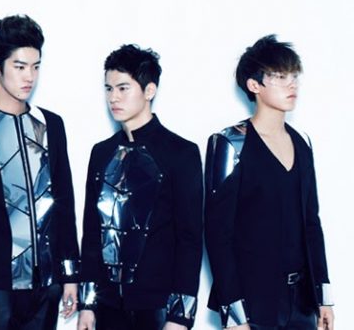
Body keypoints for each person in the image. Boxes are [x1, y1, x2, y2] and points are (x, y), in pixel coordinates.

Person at [0, 15, 80, 329]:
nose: (29, 77)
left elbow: (64, 205)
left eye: (35, 67)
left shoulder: (51, 125)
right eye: (20, 67)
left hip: (47, 283)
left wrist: (70, 275)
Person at [204, 35, 334, 330]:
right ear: (254, 85)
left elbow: (311, 223)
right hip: (253, 305)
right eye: (279, 76)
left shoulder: (302, 143)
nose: (292, 84)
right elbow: (218, 234)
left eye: (294, 76)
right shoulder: (230, 142)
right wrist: (234, 314)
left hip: (302, 303)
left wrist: (323, 297)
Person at [77, 45, 203, 330]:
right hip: (107, 306)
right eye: (109, 89)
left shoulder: (181, 153)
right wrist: (87, 304)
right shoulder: (101, 152)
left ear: (149, 90)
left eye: (123, 88)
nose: (113, 97)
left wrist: (180, 317)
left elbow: (190, 239)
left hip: (157, 308)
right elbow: (92, 233)